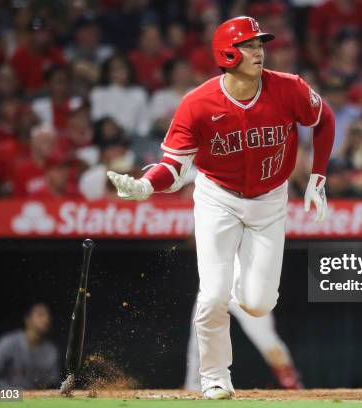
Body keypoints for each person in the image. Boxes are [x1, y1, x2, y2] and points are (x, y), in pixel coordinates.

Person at [106, 16, 334, 399]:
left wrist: (318, 177)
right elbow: (175, 166)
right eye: (248, 45)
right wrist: (147, 185)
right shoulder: (197, 104)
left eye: (260, 44)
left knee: (258, 304)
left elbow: (324, 119)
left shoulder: (288, 88)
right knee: (212, 295)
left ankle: (234, 283)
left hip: (271, 201)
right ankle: (214, 377)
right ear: (227, 53)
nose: (258, 51)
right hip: (218, 199)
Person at [0, 303, 59, 389]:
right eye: (40, 315)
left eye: (48, 316)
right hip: (6, 397)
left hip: (32, 399)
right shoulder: (9, 342)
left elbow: (50, 384)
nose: (46, 319)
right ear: (27, 320)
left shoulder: (51, 351)